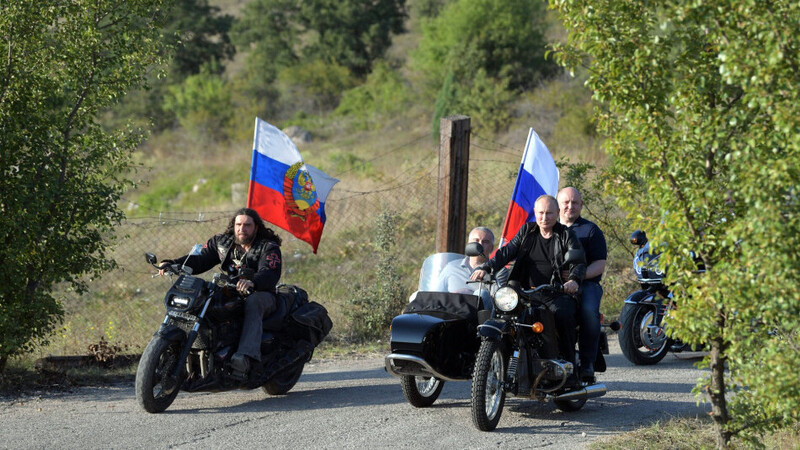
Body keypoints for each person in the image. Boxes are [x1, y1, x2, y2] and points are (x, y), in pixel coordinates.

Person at [158, 207, 282, 376]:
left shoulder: (268, 247)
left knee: (253, 303)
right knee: (204, 299)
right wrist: (173, 263)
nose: (242, 229)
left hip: (261, 293)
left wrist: (252, 282)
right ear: (233, 225)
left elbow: (269, 272)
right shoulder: (222, 243)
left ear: (256, 227)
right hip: (231, 289)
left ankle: (245, 357)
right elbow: (201, 259)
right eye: (239, 224)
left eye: (247, 225)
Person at [471, 195, 586, 369]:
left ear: (557, 213)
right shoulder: (527, 231)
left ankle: (568, 367)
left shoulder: (566, 234)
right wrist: (486, 267)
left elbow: (578, 261)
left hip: (554, 292)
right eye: (541, 213)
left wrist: (573, 280)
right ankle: (493, 358)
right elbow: (506, 252)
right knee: (501, 313)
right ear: (535, 212)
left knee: (563, 315)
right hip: (523, 291)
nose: (544, 217)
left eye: (549, 213)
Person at [557, 187, 607, 381]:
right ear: (558, 204)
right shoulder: (547, 228)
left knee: (588, 311)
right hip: (553, 285)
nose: (570, 206)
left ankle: (587, 363)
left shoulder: (591, 230)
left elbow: (600, 264)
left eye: (575, 203)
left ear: (581, 205)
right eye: (566, 202)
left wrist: (576, 277)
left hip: (587, 285)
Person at [438, 227, 506, 309]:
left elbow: (500, 301)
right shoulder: (451, 267)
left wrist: (469, 295)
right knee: (418, 294)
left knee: (481, 293)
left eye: (485, 242)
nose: (480, 244)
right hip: (452, 315)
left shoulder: (500, 271)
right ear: (468, 244)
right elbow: (435, 294)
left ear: (491, 248)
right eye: (476, 241)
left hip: (481, 319)